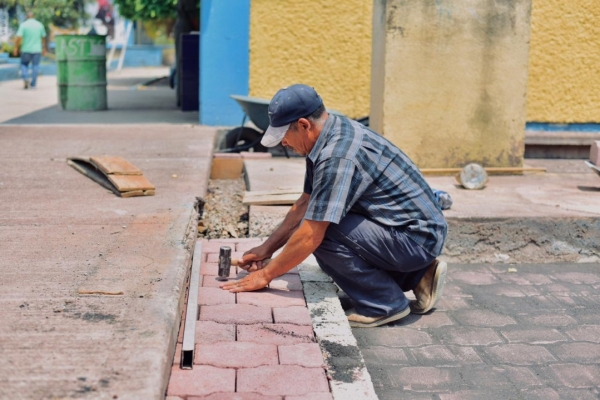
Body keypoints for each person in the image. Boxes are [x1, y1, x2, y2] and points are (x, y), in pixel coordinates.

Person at [221, 84, 448, 328]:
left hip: (415, 238)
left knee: (322, 230)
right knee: (321, 216)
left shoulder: (336, 156)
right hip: (411, 231)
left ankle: (383, 303)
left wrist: (265, 275)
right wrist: (266, 249)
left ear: (304, 125)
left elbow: (310, 233)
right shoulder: (329, 133)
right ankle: (417, 276)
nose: (284, 143)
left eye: (284, 135)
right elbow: (304, 203)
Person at [13, 12, 47, 90]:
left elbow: (19, 37)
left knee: (23, 64)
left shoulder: (23, 25)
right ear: (33, 17)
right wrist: (44, 48)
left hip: (26, 49)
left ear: (26, 17)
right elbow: (43, 37)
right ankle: (33, 85)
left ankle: (25, 78)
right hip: (37, 49)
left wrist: (16, 48)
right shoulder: (39, 25)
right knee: (35, 66)